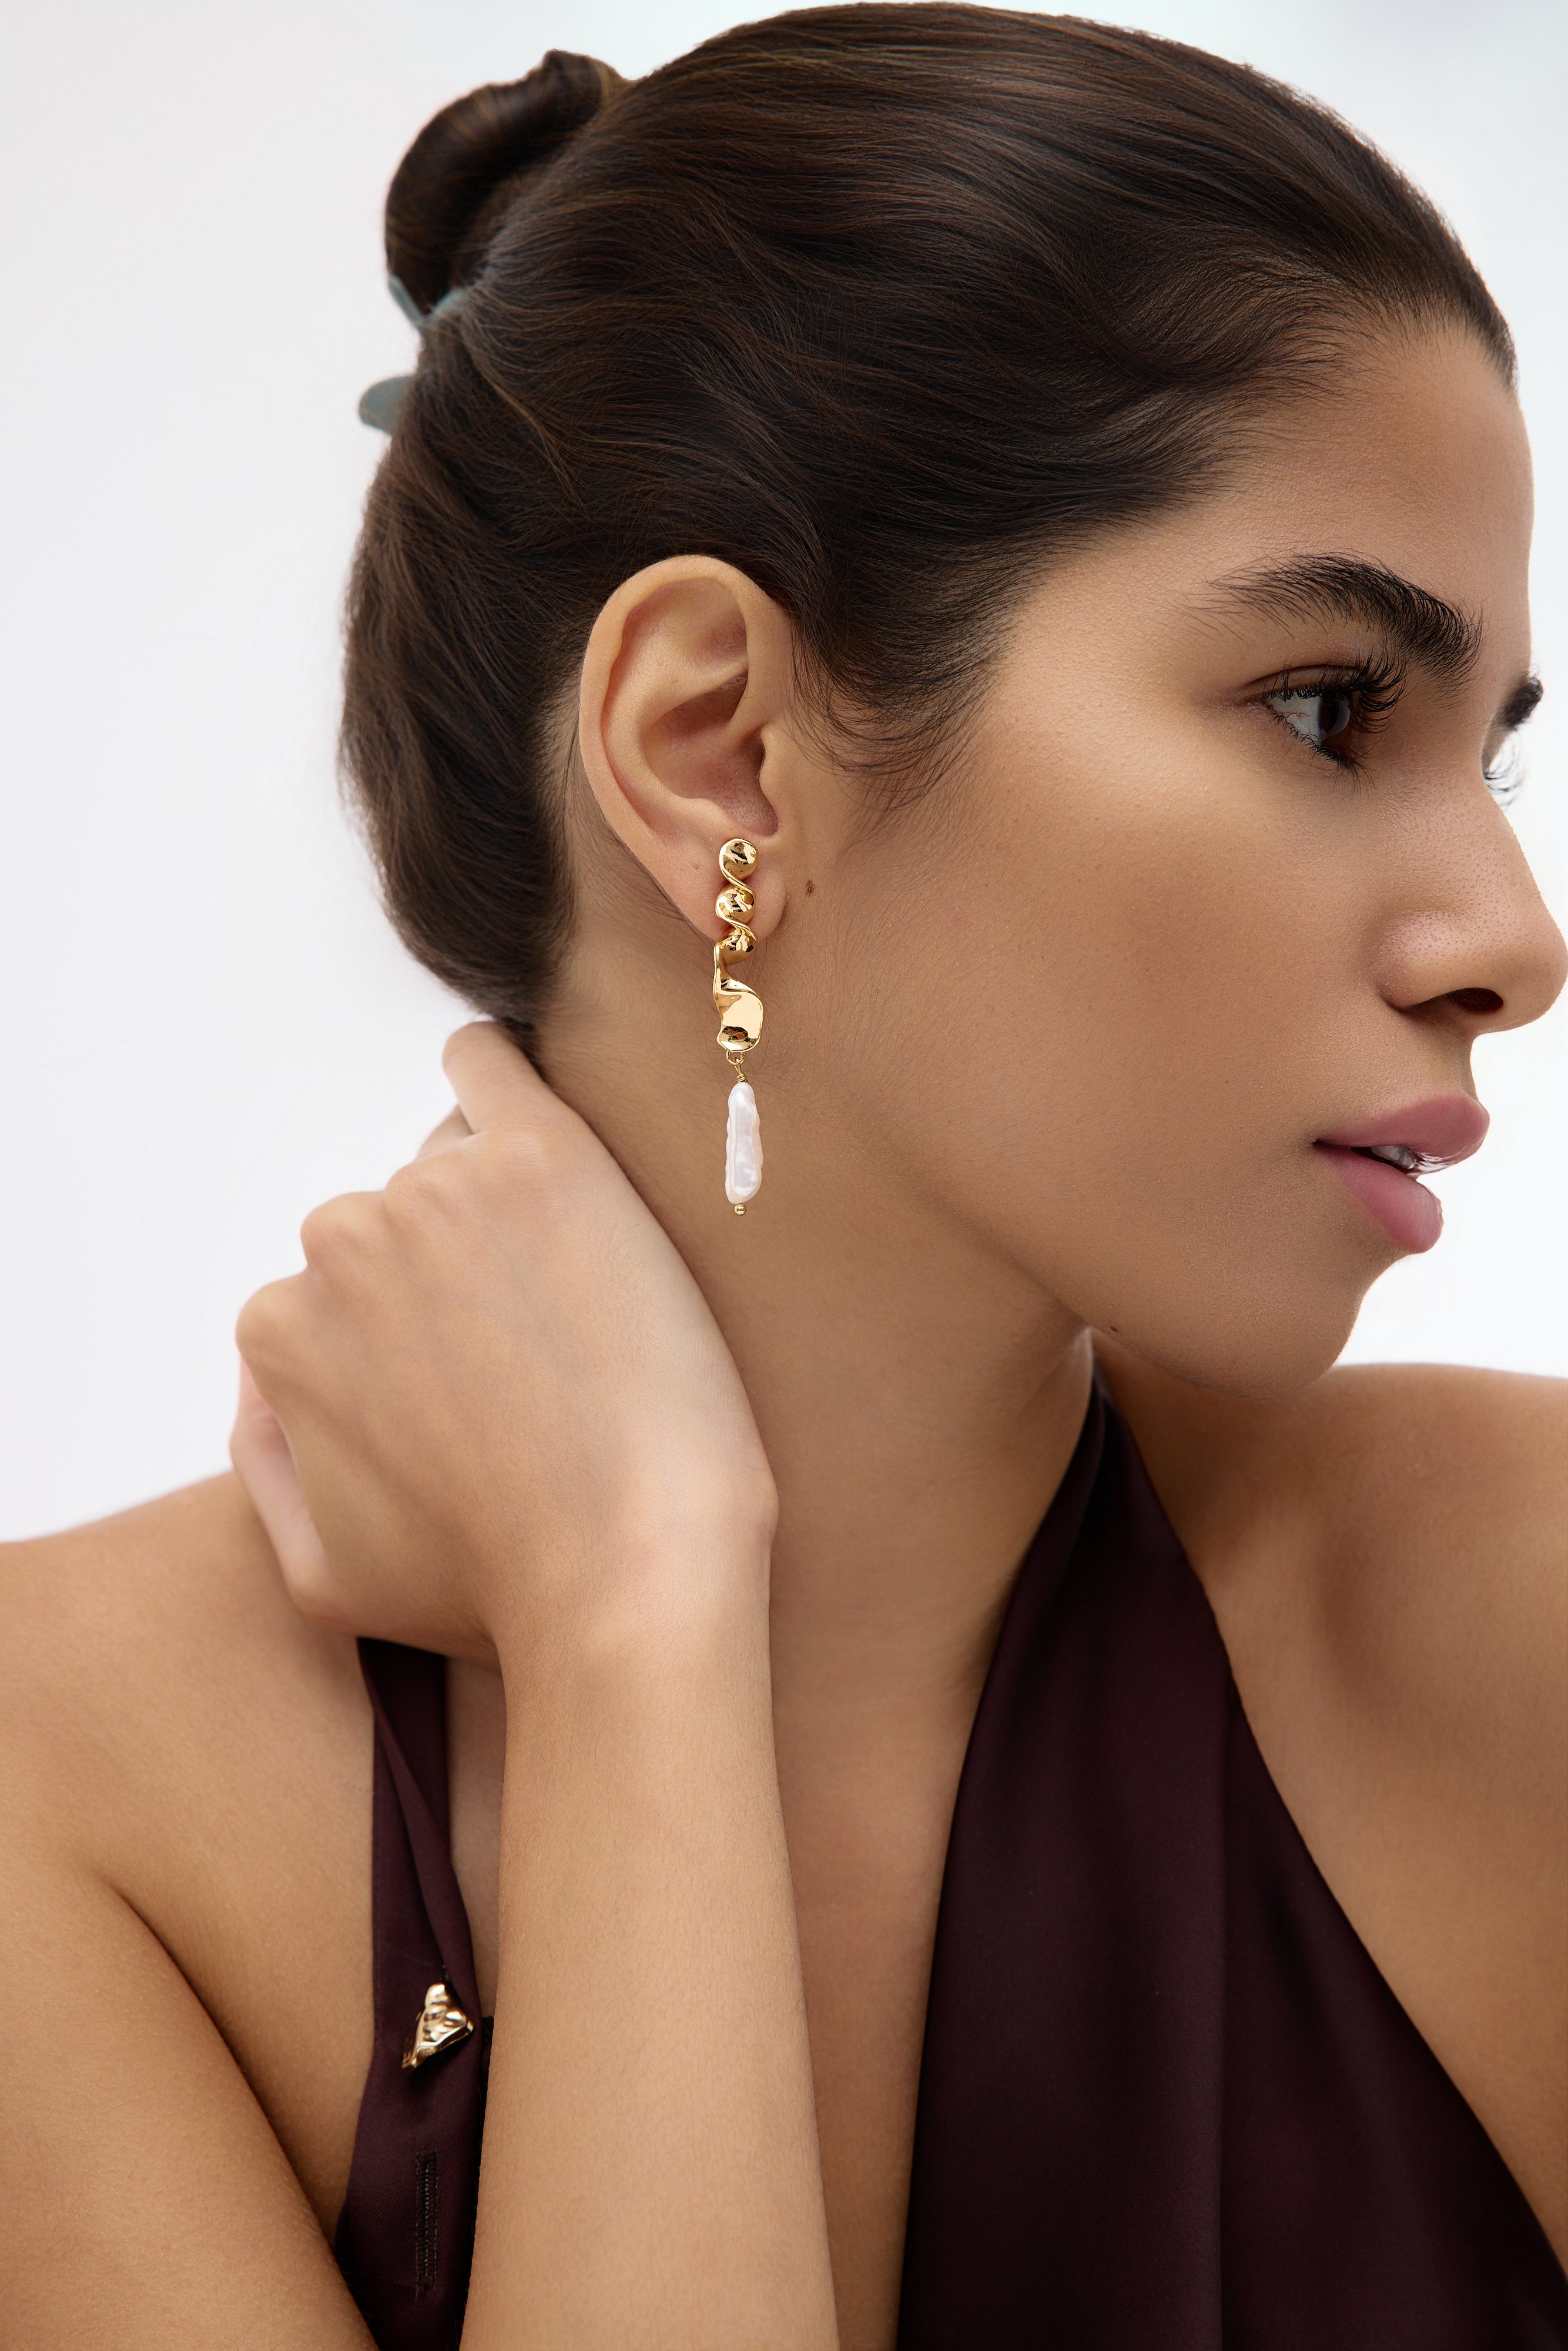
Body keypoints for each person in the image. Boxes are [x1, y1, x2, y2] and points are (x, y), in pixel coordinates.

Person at [2, 7, 1564, 2345]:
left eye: (1491, 754)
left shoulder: (1513, 1625)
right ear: (716, 748)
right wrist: (633, 1618)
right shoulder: (56, 1803)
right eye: (1331, 706)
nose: (1511, 945)